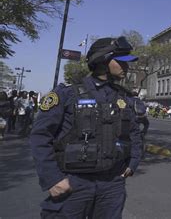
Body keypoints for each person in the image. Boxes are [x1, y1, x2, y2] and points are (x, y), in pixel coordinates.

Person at [29, 36, 142, 218]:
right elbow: (40, 136)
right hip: (74, 183)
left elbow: (134, 133)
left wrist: (133, 161)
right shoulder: (67, 94)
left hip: (112, 184)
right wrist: (52, 178)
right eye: (121, 61)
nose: (127, 67)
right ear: (103, 60)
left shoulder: (124, 97)